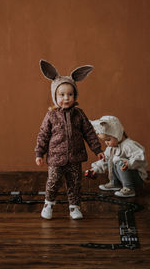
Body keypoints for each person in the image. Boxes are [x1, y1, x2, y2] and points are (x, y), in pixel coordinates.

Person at [35, 60, 104, 220]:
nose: (66, 98)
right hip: (55, 159)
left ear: (75, 95)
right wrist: (39, 152)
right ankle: (48, 204)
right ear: (54, 96)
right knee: (52, 183)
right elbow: (43, 135)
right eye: (62, 95)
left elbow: (89, 133)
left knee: (74, 184)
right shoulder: (51, 116)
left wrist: (97, 150)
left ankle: (74, 207)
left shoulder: (79, 115)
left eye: (70, 94)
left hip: (75, 158)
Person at [87, 116, 148, 197]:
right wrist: (95, 168)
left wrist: (129, 163)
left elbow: (140, 157)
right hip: (122, 178)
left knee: (119, 161)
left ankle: (129, 188)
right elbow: (104, 159)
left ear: (117, 134)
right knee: (110, 158)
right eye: (104, 141)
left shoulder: (129, 145)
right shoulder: (111, 148)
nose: (106, 143)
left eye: (108, 139)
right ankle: (115, 183)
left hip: (136, 179)